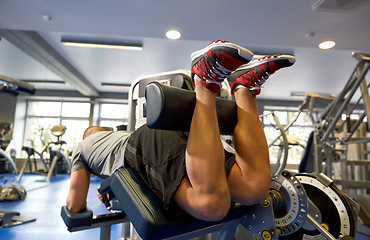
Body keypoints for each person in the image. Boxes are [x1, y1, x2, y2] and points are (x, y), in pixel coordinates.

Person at [66, 40, 296, 221]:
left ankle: (204, 83)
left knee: (212, 205)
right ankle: (244, 88)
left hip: (143, 146)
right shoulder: (117, 136)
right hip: (166, 135)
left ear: (90, 134)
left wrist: (77, 208)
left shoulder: (82, 147)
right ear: (104, 131)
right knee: (254, 190)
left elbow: (74, 204)